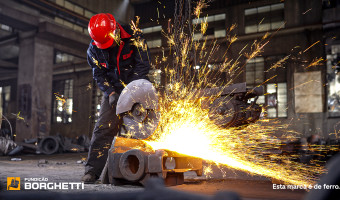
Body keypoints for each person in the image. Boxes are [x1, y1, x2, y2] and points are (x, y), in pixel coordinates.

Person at [82, 13, 151, 183]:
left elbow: (143, 65)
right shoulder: (93, 50)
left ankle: (148, 168)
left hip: (136, 84)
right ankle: (92, 171)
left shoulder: (135, 36)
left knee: (144, 124)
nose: (105, 47)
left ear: (115, 31)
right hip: (113, 89)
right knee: (103, 127)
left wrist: (130, 92)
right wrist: (111, 93)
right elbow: (99, 74)